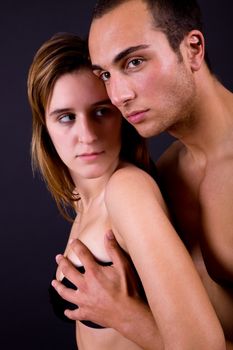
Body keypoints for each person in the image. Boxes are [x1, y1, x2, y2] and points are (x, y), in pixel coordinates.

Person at [52, 0, 233, 348]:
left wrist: (127, 316)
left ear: (192, 49)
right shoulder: (165, 172)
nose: (119, 95)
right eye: (105, 74)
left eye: (134, 62)